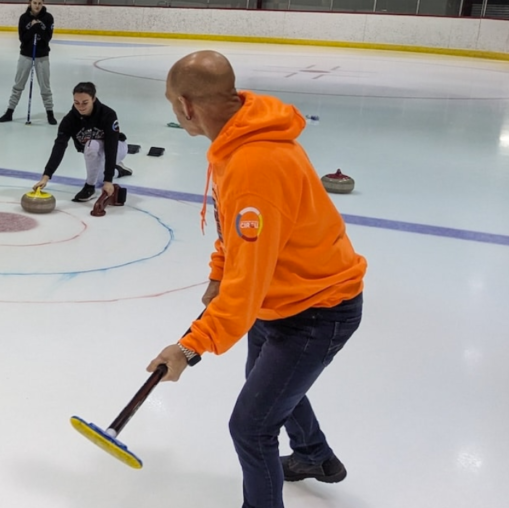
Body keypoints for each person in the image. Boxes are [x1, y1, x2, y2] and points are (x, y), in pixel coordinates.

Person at [146, 50, 367, 508]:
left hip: (317, 309)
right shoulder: (238, 140)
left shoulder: (254, 165)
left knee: (252, 426)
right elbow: (234, 229)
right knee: (266, 388)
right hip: (286, 296)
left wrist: (189, 348)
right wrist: (218, 273)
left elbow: (246, 290)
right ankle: (315, 456)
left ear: (187, 105)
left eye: (172, 103)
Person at [32, 82, 131, 203]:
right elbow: (59, 146)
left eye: (85, 102)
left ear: (93, 99)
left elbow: (111, 146)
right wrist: (45, 177)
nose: (81, 107)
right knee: (98, 177)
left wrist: (108, 181)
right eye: (76, 102)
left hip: (118, 148)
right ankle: (119, 170)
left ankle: (89, 187)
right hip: (95, 152)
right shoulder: (69, 120)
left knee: (92, 148)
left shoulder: (108, 114)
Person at [0, 0, 55, 124]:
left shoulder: (48, 17)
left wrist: (39, 28)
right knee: (18, 85)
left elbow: (47, 38)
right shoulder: (24, 18)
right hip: (26, 56)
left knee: (45, 86)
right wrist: (32, 28)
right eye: (35, 3)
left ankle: (50, 113)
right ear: (30, 3)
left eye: (40, 3)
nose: (37, 5)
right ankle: (9, 112)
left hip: (42, 56)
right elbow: (22, 39)